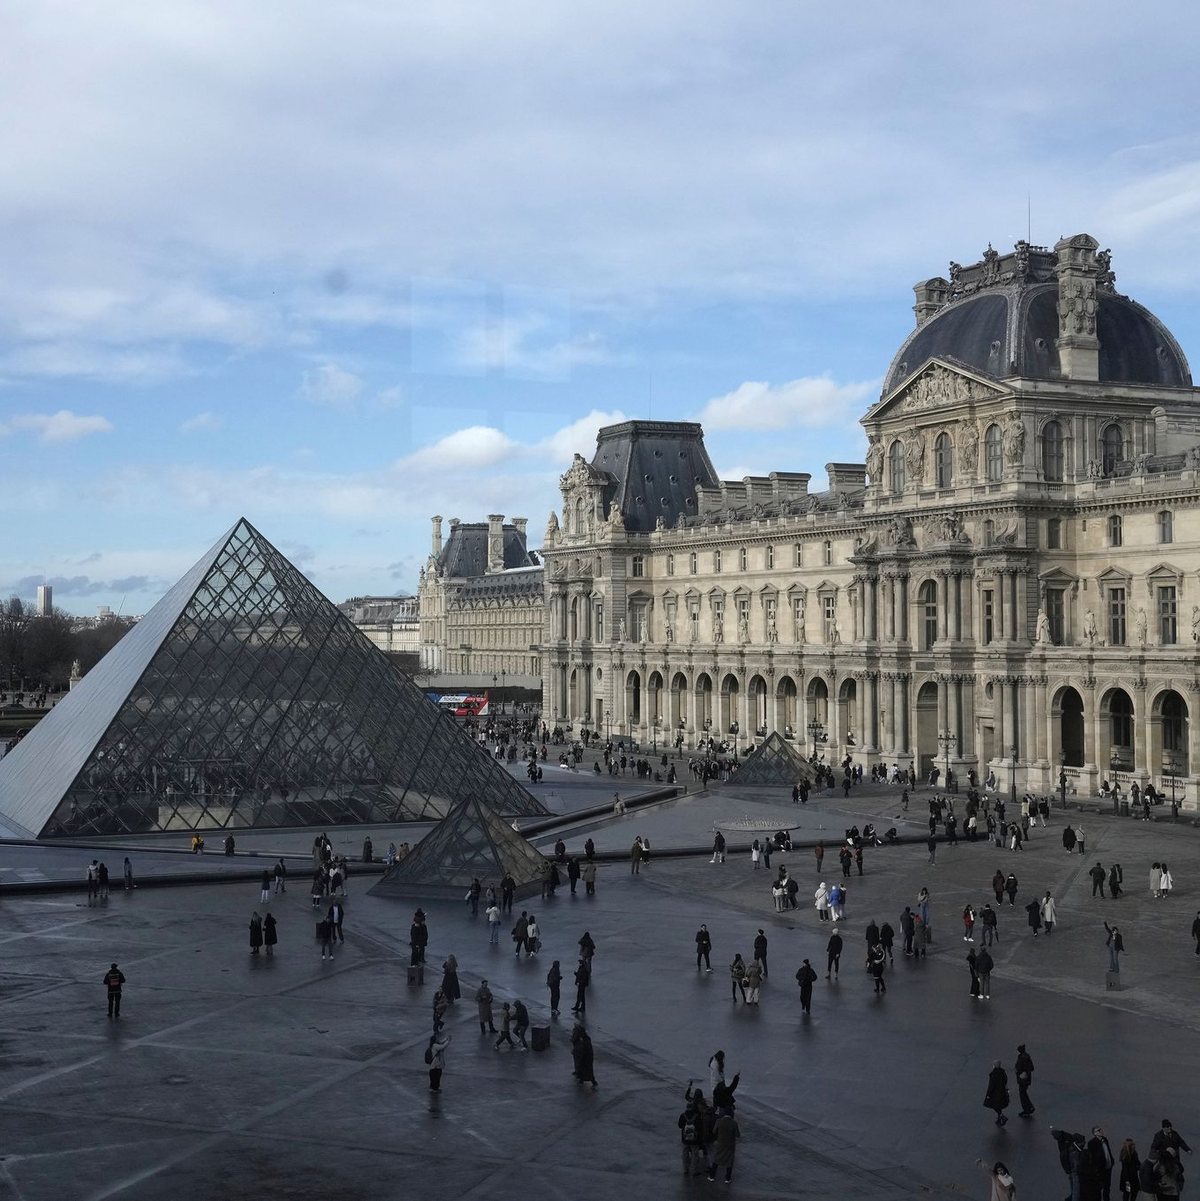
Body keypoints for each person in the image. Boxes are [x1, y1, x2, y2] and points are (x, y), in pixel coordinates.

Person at [1051, 1128, 1088, 1198]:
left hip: (1069, 1168)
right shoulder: (1073, 1150)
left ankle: (1072, 1196)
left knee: (1073, 1186)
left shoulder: (1063, 1144)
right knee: (1076, 1189)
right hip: (1074, 1170)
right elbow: (1076, 1164)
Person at [706, 1110, 740, 1184]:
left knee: (716, 1159)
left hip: (720, 1143)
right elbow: (738, 1134)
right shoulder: (734, 1123)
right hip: (730, 1144)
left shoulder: (719, 1121)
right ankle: (727, 1179)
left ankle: (712, 1176)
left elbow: (714, 1131)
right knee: (729, 1161)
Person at [1088, 1126, 1115, 1200]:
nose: (1101, 1131)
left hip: (1108, 1167)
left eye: (1100, 1129)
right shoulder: (1091, 1143)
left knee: (1107, 1187)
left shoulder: (1105, 1139)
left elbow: (1108, 1151)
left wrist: (1112, 1160)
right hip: (1100, 1169)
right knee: (1099, 1188)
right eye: (1098, 1130)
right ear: (1095, 1133)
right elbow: (1092, 1158)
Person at [984, 1061, 1009, 1126]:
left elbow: (991, 1086)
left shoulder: (993, 1074)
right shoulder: (1002, 1072)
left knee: (994, 1106)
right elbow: (1005, 1080)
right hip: (1002, 1092)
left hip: (995, 1094)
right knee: (998, 1105)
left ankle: (1001, 1116)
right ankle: (999, 1118)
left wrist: (988, 1095)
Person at [1014, 1045, 1034, 1117]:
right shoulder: (1027, 1057)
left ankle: (1027, 1109)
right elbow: (1032, 1068)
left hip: (1022, 1080)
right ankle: (1029, 1107)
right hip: (1027, 1079)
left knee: (1022, 1095)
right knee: (1024, 1093)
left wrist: (1017, 1070)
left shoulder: (1021, 1058)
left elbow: (1018, 1068)